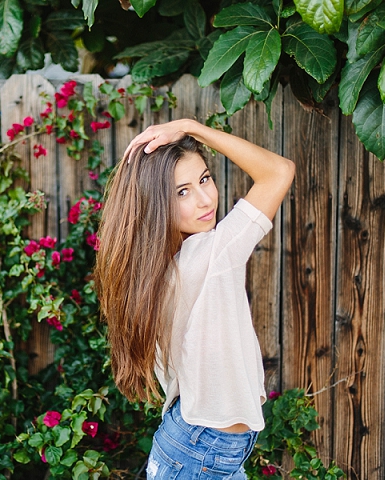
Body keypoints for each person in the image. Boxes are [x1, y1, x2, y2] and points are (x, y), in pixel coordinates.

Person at [94, 118, 295, 479]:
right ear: (155, 204)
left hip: (194, 446)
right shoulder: (208, 256)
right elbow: (278, 171)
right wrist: (192, 127)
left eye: (204, 179)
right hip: (201, 453)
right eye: (181, 192)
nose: (205, 199)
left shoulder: (154, 270)